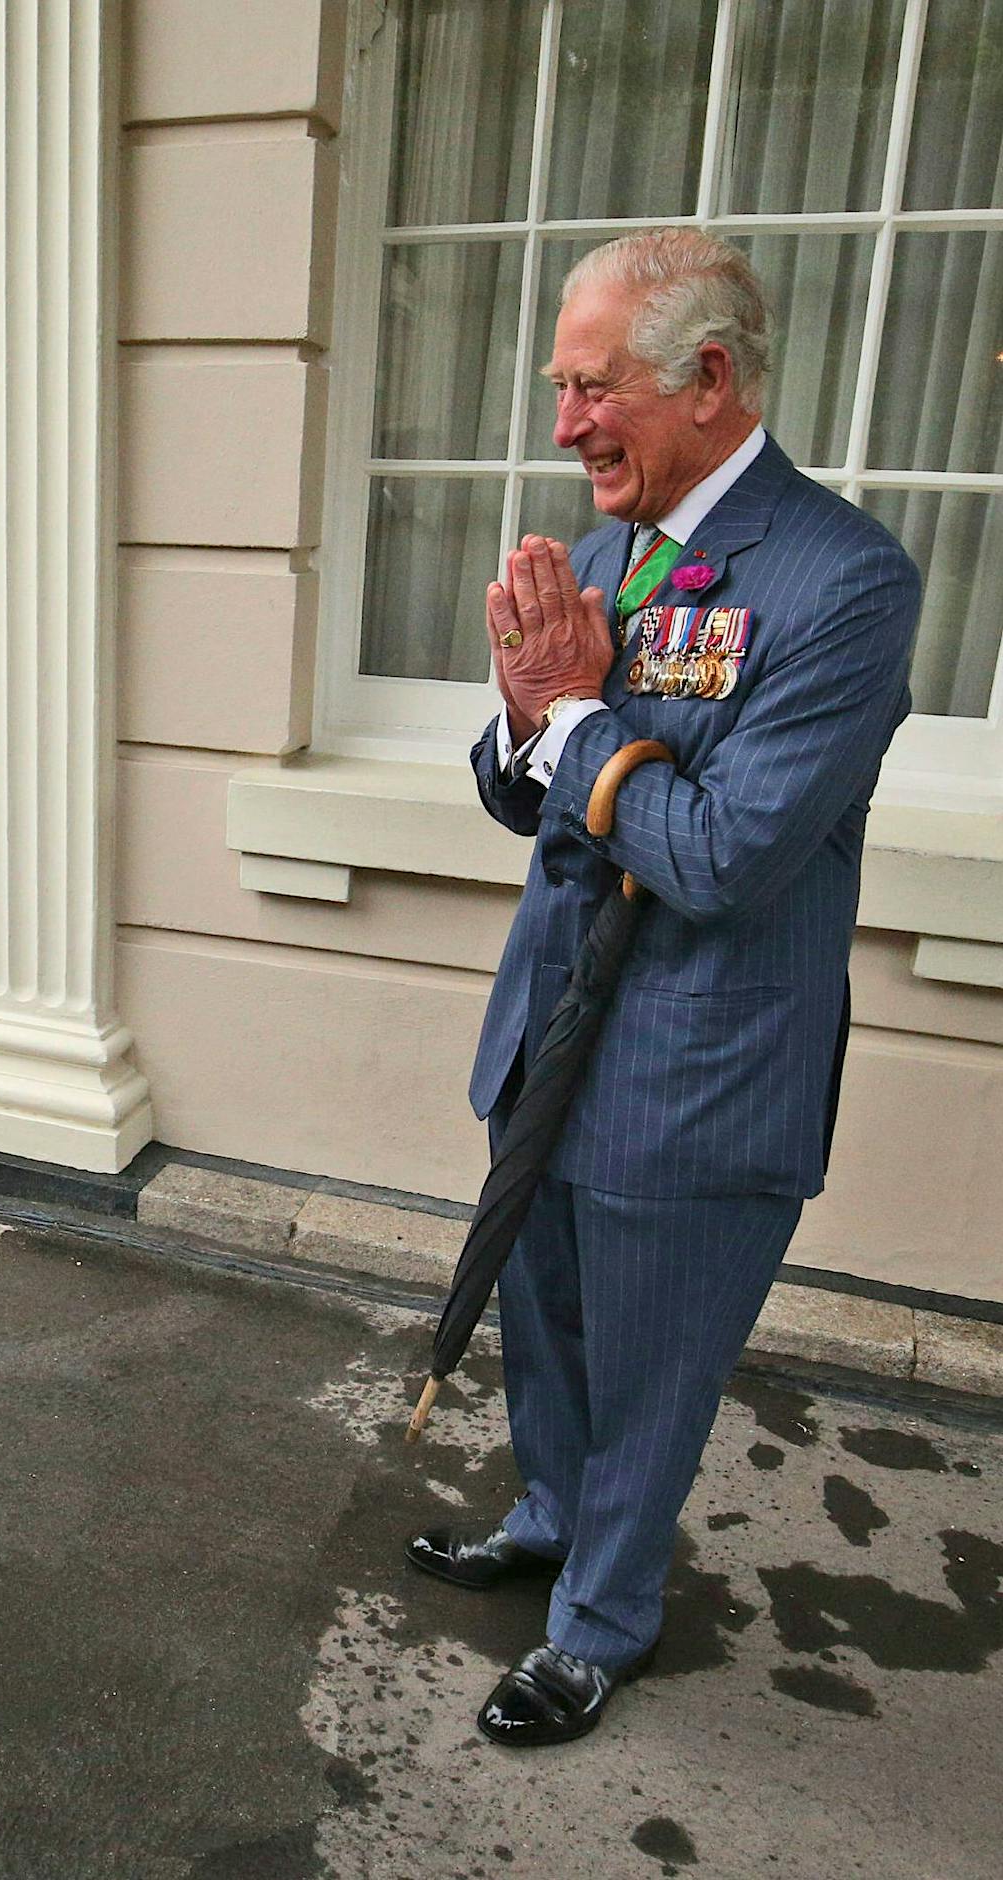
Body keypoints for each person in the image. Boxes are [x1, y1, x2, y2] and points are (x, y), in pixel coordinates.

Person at [405, 229, 921, 1747]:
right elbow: (538, 796)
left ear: (706, 379)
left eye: (592, 387)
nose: (565, 425)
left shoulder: (844, 580)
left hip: (698, 1070)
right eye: (560, 387)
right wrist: (523, 728)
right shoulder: (621, 546)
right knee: (549, 1325)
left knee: (650, 1369)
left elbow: (726, 857)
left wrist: (570, 719)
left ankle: (603, 1622)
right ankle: (555, 1521)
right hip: (555, 1037)